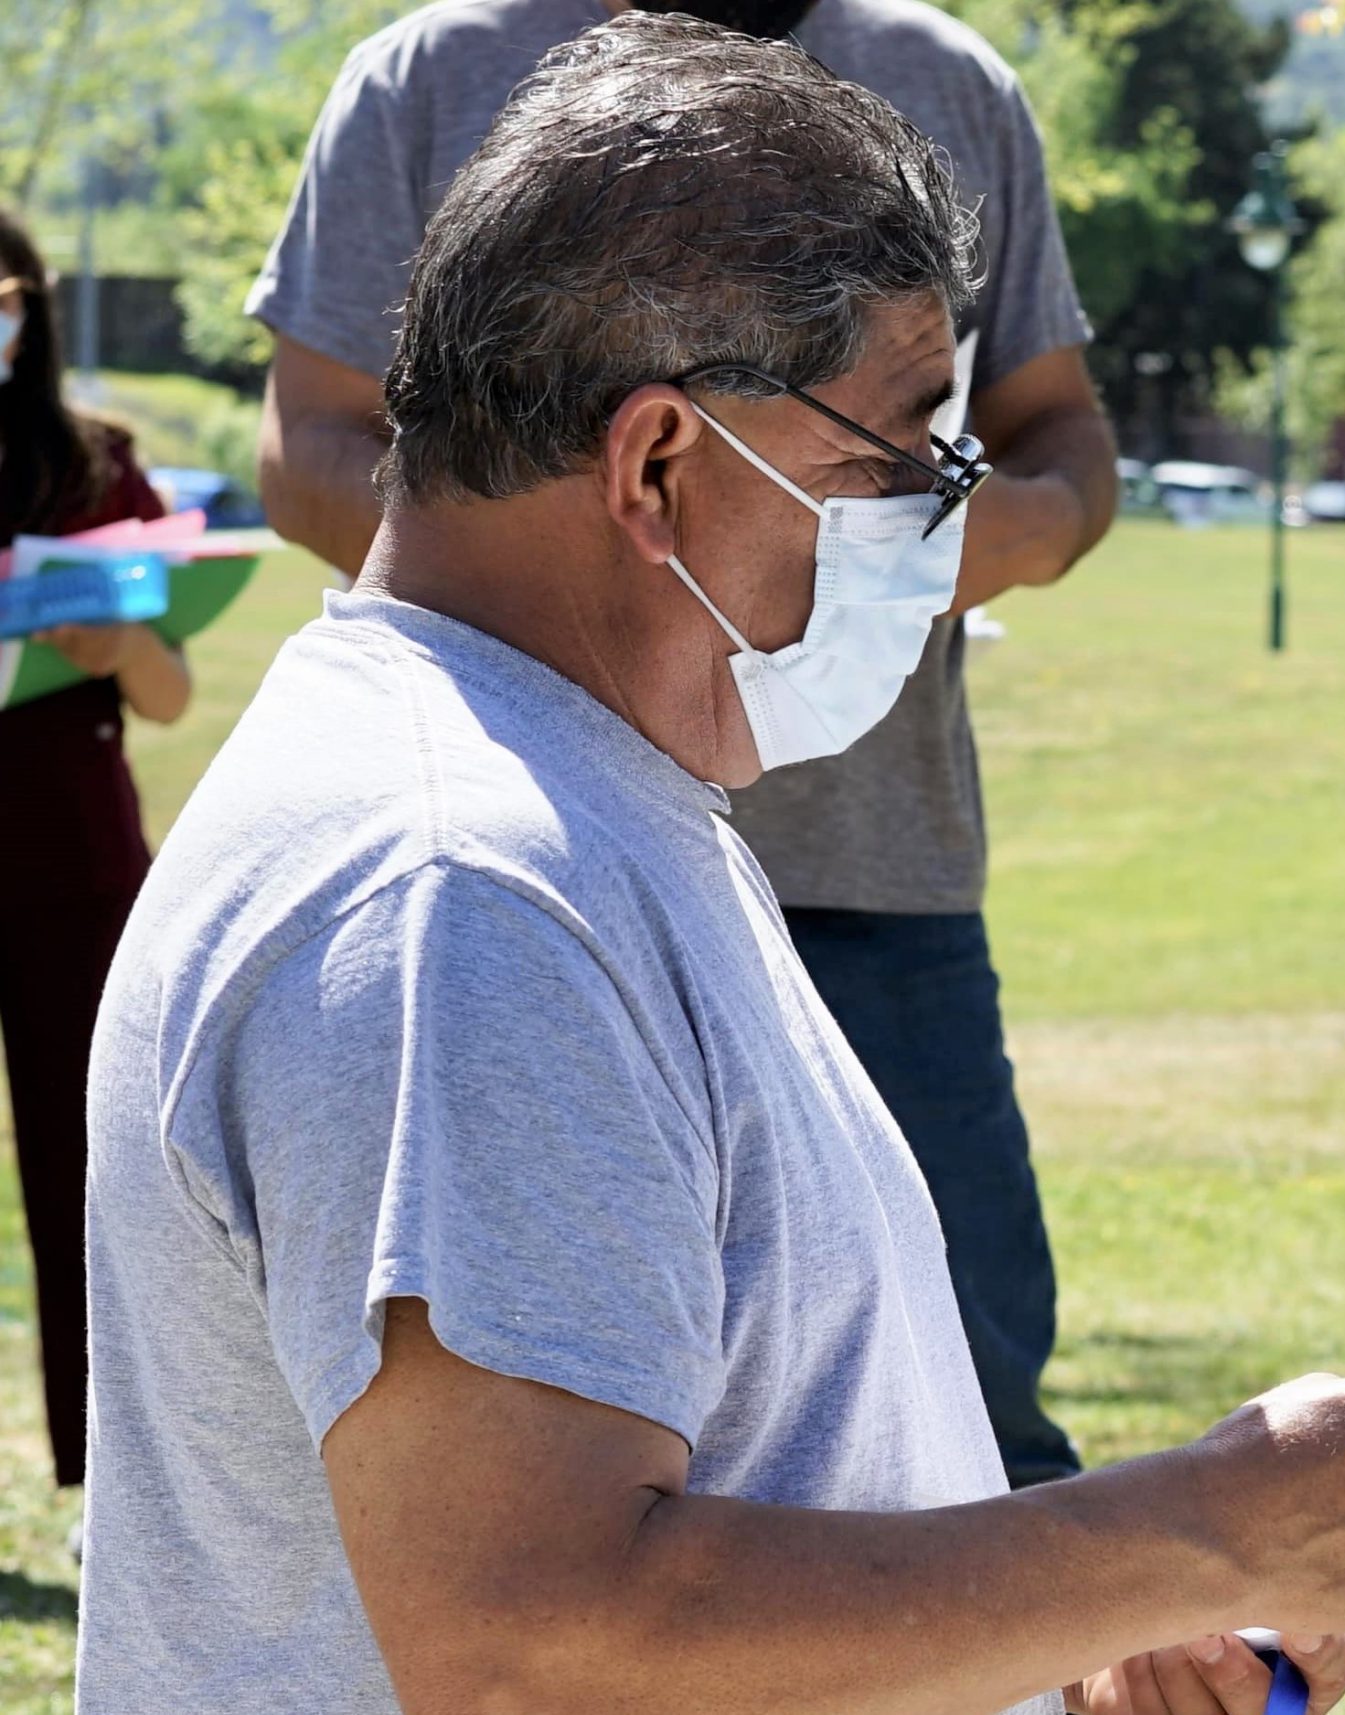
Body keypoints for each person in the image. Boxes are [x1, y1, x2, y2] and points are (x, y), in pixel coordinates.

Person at [83, 22, 1345, 1715]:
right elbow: (534, 1646)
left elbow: (740, 1476)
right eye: (894, 463)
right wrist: (1200, 1532)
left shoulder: (591, 799)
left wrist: (1058, 1647)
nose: (930, 529)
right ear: (659, 464)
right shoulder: (461, 892)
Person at [250, 0, 1114, 1487]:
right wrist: (621, 572)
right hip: (554, 845)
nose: (914, 489)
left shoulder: (952, 82)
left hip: (873, 885)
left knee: (959, 1410)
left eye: (928, 449)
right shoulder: (425, 79)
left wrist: (903, 539)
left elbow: (1066, 440)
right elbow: (307, 444)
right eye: (887, 455)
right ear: (649, 464)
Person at [0, 208, 189, 1501]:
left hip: (73, 865)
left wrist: (122, 649)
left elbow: (172, 691)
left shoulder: (96, 468)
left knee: (89, 1176)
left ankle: (106, 1483)